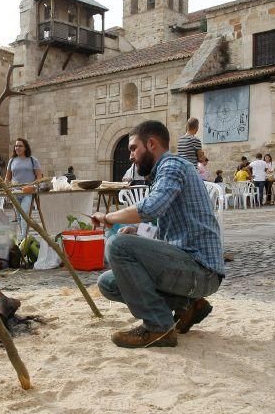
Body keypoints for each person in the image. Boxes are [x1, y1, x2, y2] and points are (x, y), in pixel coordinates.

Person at [91, 120, 224, 349]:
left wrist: (108, 217)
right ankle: (188, 306)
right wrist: (137, 230)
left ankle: (158, 327)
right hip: (188, 267)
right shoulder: (164, 172)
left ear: (151, 143)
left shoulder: (172, 165)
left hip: (202, 270)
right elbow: (165, 226)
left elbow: (151, 208)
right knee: (108, 283)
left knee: (118, 246)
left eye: (134, 148)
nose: (131, 155)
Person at [5, 138, 42, 238]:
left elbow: (39, 176)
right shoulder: (12, 161)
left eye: (20, 146)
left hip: (28, 191)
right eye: (16, 146)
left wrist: (34, 186)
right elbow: (7, 178)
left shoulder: (32, 160)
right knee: (18, 216)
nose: (17, 148)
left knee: (25, 214)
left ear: (25, 147)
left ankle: (23, 236)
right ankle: (24, 237)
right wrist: (6, 190)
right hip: (15, 191)